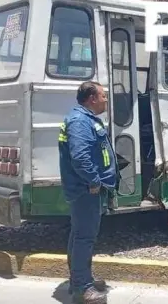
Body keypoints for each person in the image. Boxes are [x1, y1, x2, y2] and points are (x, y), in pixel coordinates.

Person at [58, 81, 117, 304]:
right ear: (92, 98)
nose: (105, 100)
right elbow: (80, 157)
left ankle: (80, 280)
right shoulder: (80, 121)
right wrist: (94, 181)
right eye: (103, 96)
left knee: (79, 235)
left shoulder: (83, 118)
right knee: (84, 237)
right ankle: (83, 287)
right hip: (85, 189)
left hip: (84, 188)